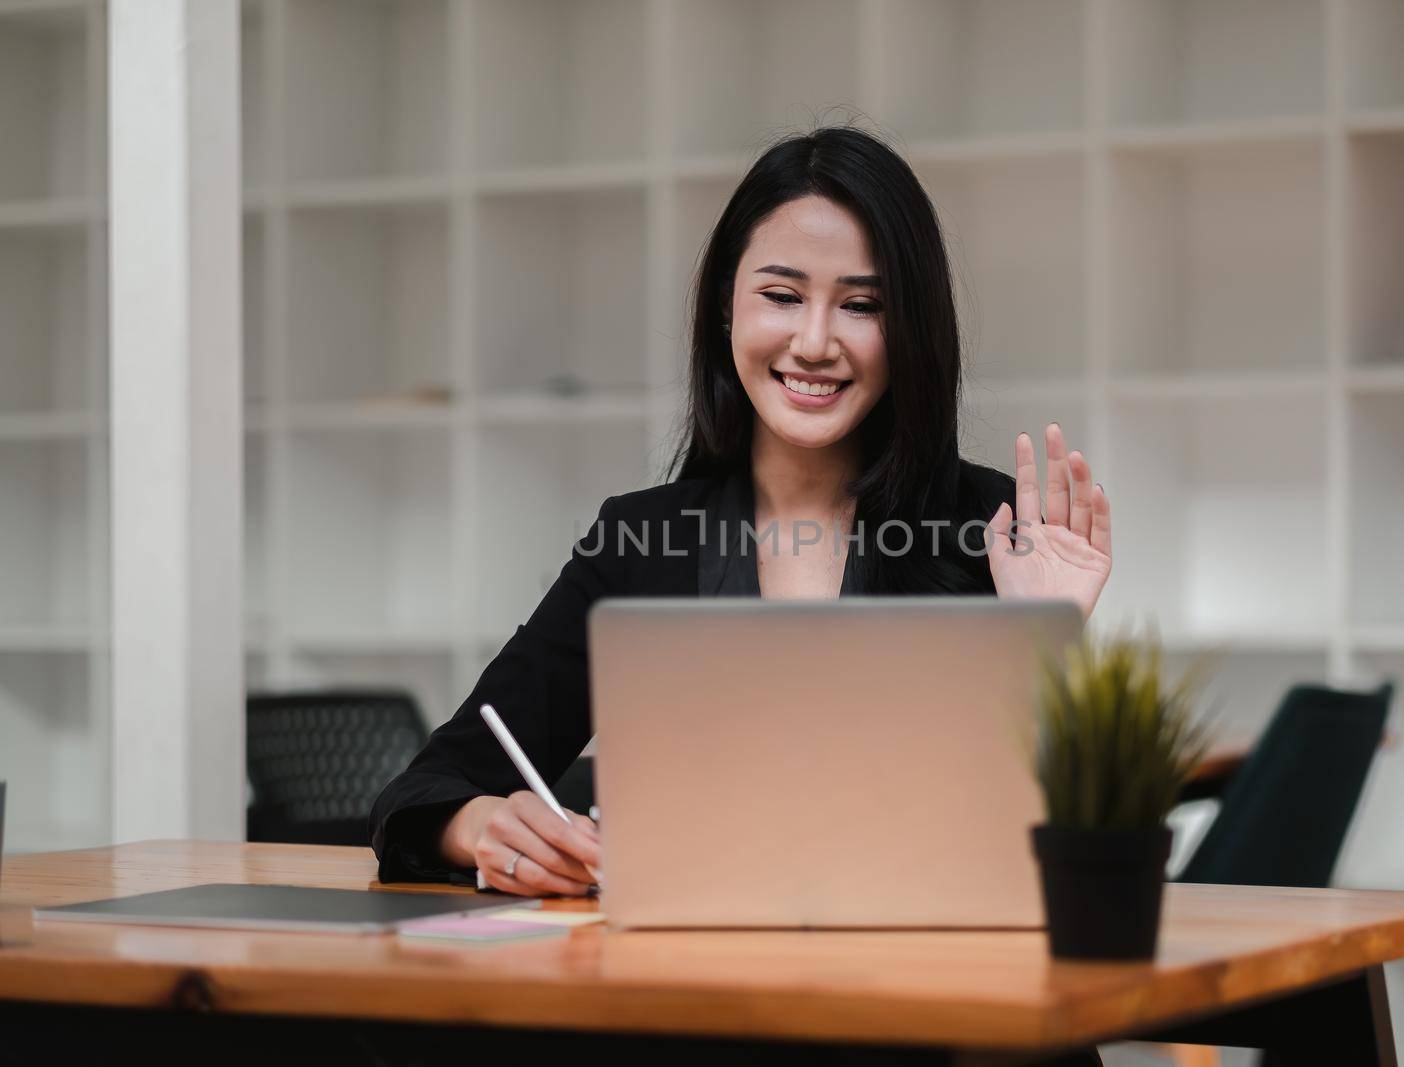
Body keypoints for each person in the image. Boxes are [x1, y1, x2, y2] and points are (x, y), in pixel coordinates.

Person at [369, 126, 1114, 897]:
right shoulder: (641, 541)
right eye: (782, 295)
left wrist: (1042, 645)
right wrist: (485, 825)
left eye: (862, 304)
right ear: (727, 306)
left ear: (911, 332)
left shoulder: (991, 526)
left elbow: (1071, 859)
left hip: (920, 992)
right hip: (686, 992)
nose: (815, 340)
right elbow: (424, 791)